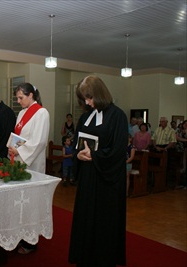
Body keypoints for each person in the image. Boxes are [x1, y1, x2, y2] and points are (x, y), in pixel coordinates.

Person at [68, 76, 128, 267]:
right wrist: (78, 155)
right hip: (88, 176)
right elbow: (78, 142)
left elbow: (118, 150)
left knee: (104, 222)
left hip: (106, 179)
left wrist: (95, 155)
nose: (87, 102)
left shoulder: (118, 116)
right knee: (86, 217)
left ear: (100, 94)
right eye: (84, 98)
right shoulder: (86, 116)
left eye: (89, 97)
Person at [6, 82, 50, 254]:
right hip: (18, 159)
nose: (18, 101)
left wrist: (20, 150)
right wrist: (13, 147)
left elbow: (39, 141)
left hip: (32, 163)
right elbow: (19, 136)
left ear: (31, 95)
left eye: (21, 97)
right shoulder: (22, 113)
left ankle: (31, 241)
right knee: (19, 204)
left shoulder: (41, 113)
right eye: (17, 98)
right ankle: (18, 235)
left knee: (30, 203)